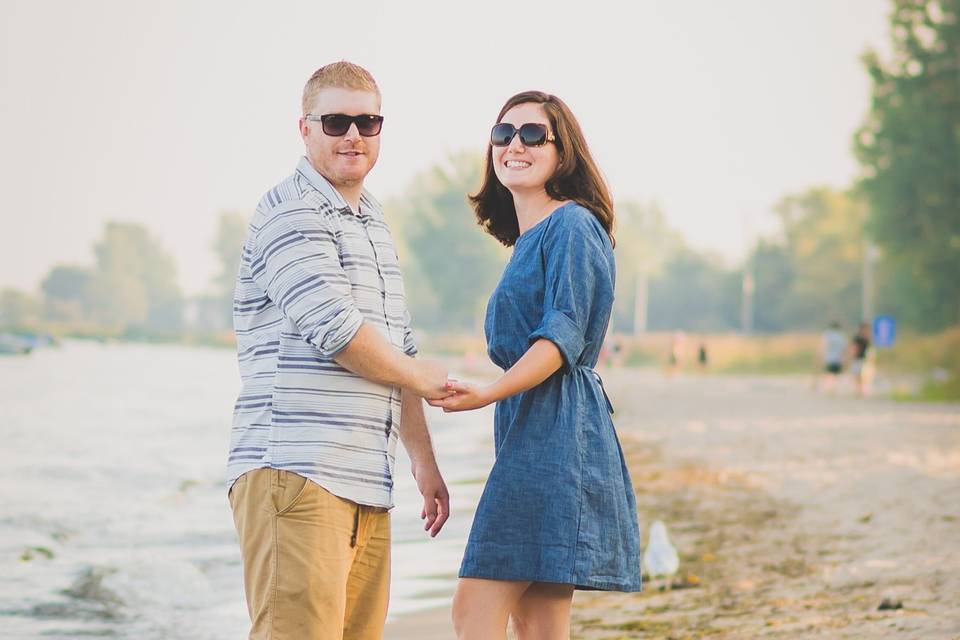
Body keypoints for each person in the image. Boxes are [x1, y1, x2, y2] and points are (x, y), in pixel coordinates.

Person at [226, 61, 453, 640]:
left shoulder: (372, 220)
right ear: (304, 129)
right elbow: (339, 335)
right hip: (299, 473)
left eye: (367, 121)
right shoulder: (290, 212)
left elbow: (396, 349)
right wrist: (426, 378)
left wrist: (422, 461)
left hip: (365, 482)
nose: (353, 135)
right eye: (336, 121)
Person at [429, 91, 642, 639]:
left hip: (559, 435)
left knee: (473, 609)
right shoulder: (529, 239)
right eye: (503, 134)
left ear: (561, 151)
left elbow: (561, 337)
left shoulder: (571, 224)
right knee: (540, 622)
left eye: (532, 135)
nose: (514, 146)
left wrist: (488, 392)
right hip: (533, 430)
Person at [819, 321, 846, 393]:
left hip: (829, 358)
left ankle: (829, 388)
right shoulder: (841, 336)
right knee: (835, 374)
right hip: (838, 358)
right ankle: (833, 388)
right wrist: (843, 358)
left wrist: (821, 356)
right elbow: (844, 348)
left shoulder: (827, 335)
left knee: (829, 374)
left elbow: (824, 346)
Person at [850, 322, 872, 396]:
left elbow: (854, 348)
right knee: (858, 375)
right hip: (859, 359)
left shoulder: (864, 338)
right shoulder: (861, 338)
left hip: (863, 359)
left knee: (860, 375)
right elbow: (854, 348)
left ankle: (860, 390)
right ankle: (859, 389)